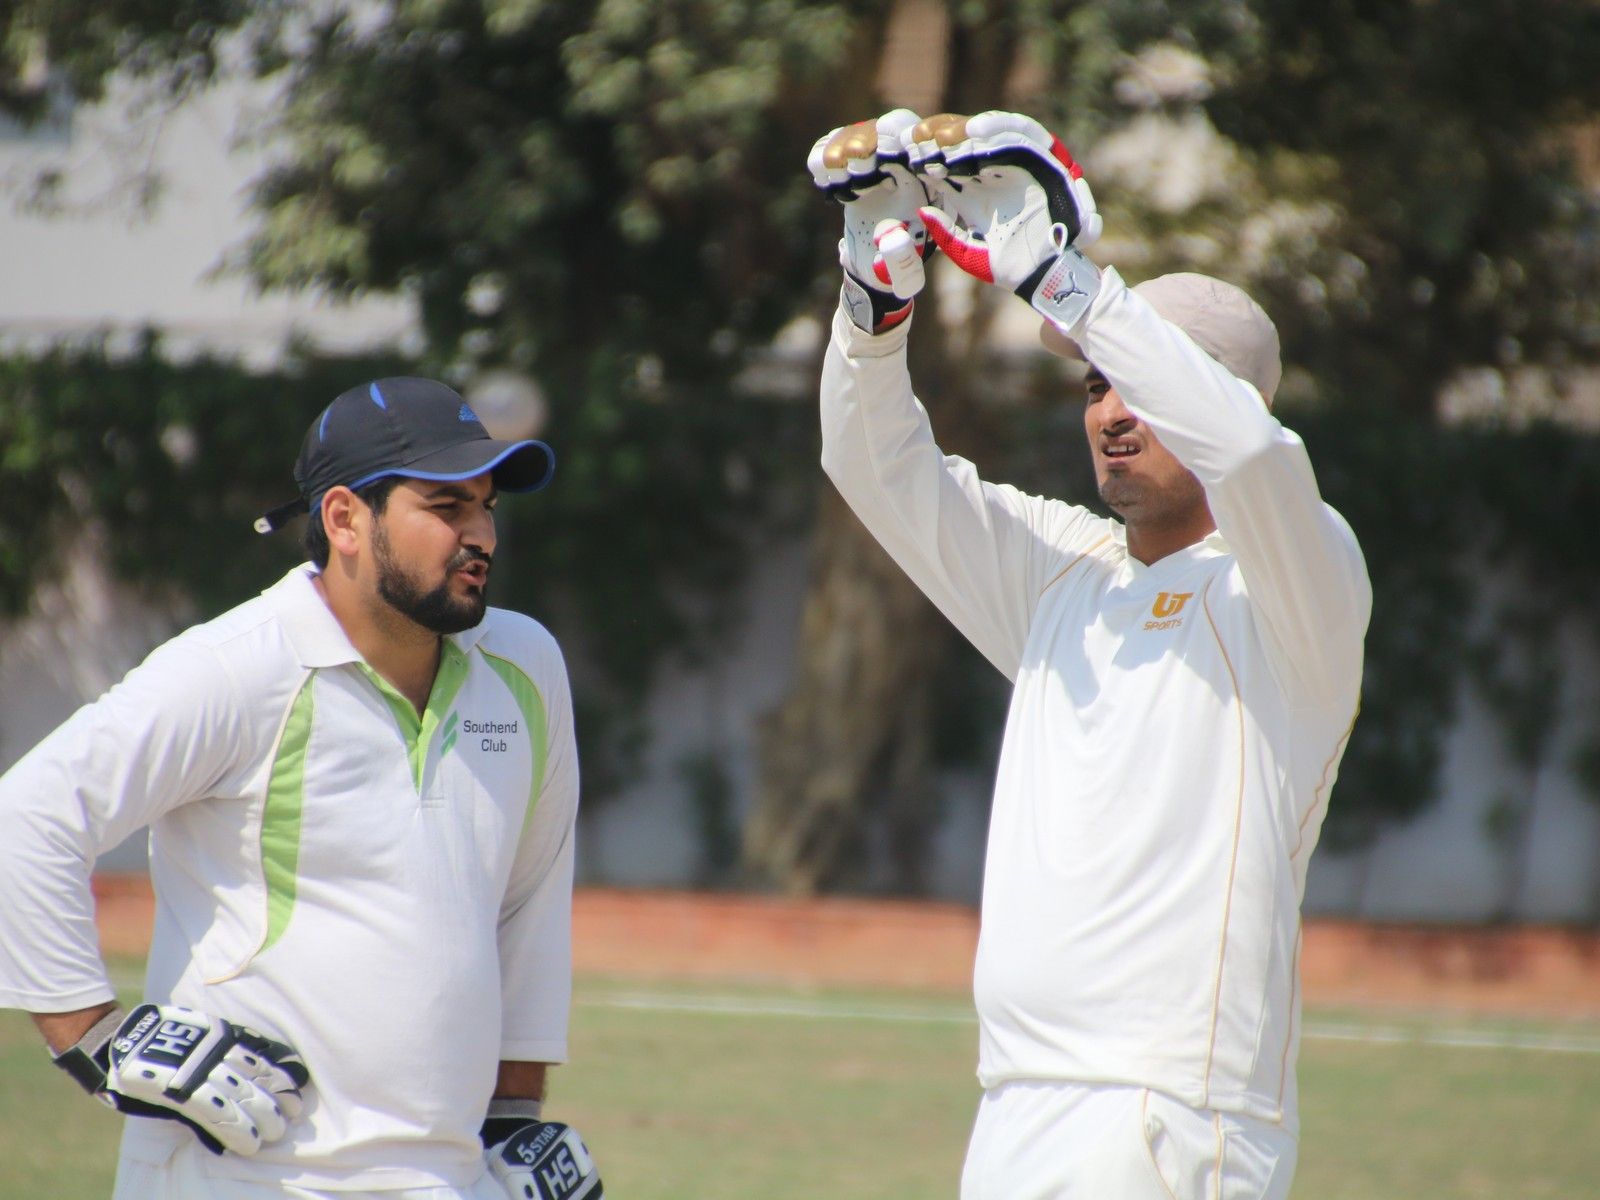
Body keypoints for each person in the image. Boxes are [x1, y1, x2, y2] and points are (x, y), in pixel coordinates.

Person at [808, 111, 1370, 1198]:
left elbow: (1251, 456)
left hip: (1170, 1115)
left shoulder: (1298, 586)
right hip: (1015, 1100)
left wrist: (1062, 281)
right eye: (1094, 386)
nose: (1111, 413)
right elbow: (875, 467)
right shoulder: (1065, 575)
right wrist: (871, 314)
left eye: (1137, 383)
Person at [0, 377, 602, 1200]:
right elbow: (27, 819)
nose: (480, 535)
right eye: (446, 507)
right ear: (345, 519)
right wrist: (95, 1038)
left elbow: (527, 902)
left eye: (486, 507)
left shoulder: (525, 665)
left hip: (445, 1175)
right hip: (241, 1176)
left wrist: (515, 1117)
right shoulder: (237, 668)